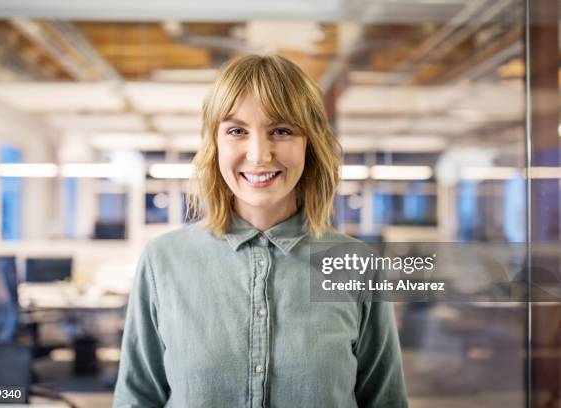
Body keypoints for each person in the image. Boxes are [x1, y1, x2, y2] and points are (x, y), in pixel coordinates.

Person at [113, 54, 408, 408]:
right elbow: (137, 399)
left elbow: (385, 401)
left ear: (308, 143)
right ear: (215, 144)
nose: (258, 154)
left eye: (281, 131)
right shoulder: (164, 260)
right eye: (237, 131)